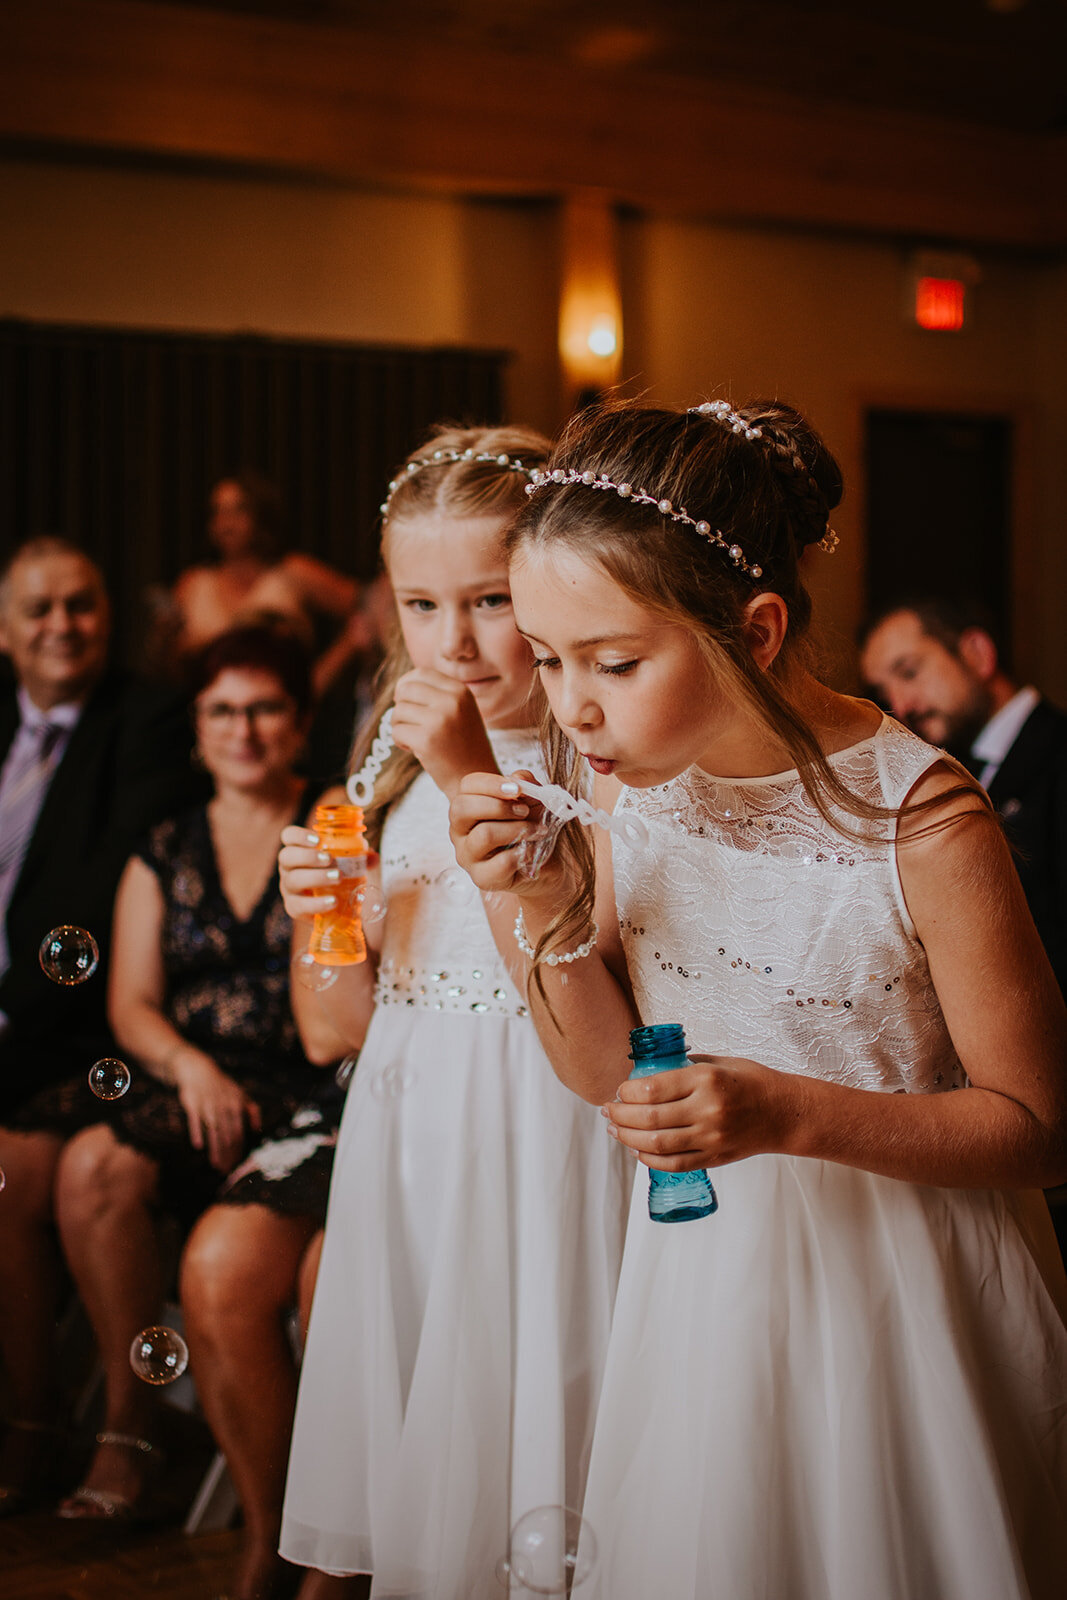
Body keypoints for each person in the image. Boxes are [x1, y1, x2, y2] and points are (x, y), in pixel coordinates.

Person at [450, 398, 1067, 1600]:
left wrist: (786, 1114)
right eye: (549, 658)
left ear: (755, 630)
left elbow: (1039, 1128)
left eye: (613, 662)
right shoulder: (636, 783)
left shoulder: (924, 822)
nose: (570, 709)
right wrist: (522, 904)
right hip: (706, 1288)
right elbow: (605, 1073)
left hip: (908, 1301)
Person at [276, 426, 631, 1600]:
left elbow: (593, 962)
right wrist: (327, 917)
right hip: (412, 1129)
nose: (457, 642)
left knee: (539, 1401)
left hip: (542, 1126)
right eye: (420, 605)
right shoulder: (382, 764)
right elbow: (332, 1024)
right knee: (433, 1422)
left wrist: (466, 758)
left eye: (488, 599)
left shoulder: (602, 760)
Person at [0, 626, 323, 1523]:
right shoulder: (165, 844)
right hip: (190, 1079)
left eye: (265, 708)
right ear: (197, 727)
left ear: (299, 723)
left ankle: (139, 1435)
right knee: (49, 1160)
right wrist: (190, 1070)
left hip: (300, 1082)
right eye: (222, 710)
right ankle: (79, 1421)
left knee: (85, 1166)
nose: (243, 729)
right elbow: (131, 1003)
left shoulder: (333, 819)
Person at [0, 536, 202, 1515]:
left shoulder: (149, 719)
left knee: (25, 1164)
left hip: (88, 1027)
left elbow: (115, 886)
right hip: (15, 1038)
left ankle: (130, 1422)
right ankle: (30, 1417)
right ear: (5, 630)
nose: (61, 626)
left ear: (106, 614)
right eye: (39, 609)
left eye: (79, 604)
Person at [181, 1074, 346, 1600]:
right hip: (361, 1103)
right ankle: (268, 1533)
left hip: (489, 1109)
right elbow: (323, 1042)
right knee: (219, 1268)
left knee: (338, 1276)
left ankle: (342, 1553)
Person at [859, 597, 1067, 993]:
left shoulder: (1058, 753)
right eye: (886, 692)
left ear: (977, 654)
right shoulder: (936, 773)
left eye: (909, 672)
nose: (900, 706)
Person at [166, 473, 360, 688]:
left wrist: (319, 677)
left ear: (261, 516)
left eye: (238, 510)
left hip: (285, 709)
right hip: (216, 711)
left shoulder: (292, 572)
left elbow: (366, 609)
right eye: (218, 511)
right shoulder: (194, 583)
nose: (226, 523)